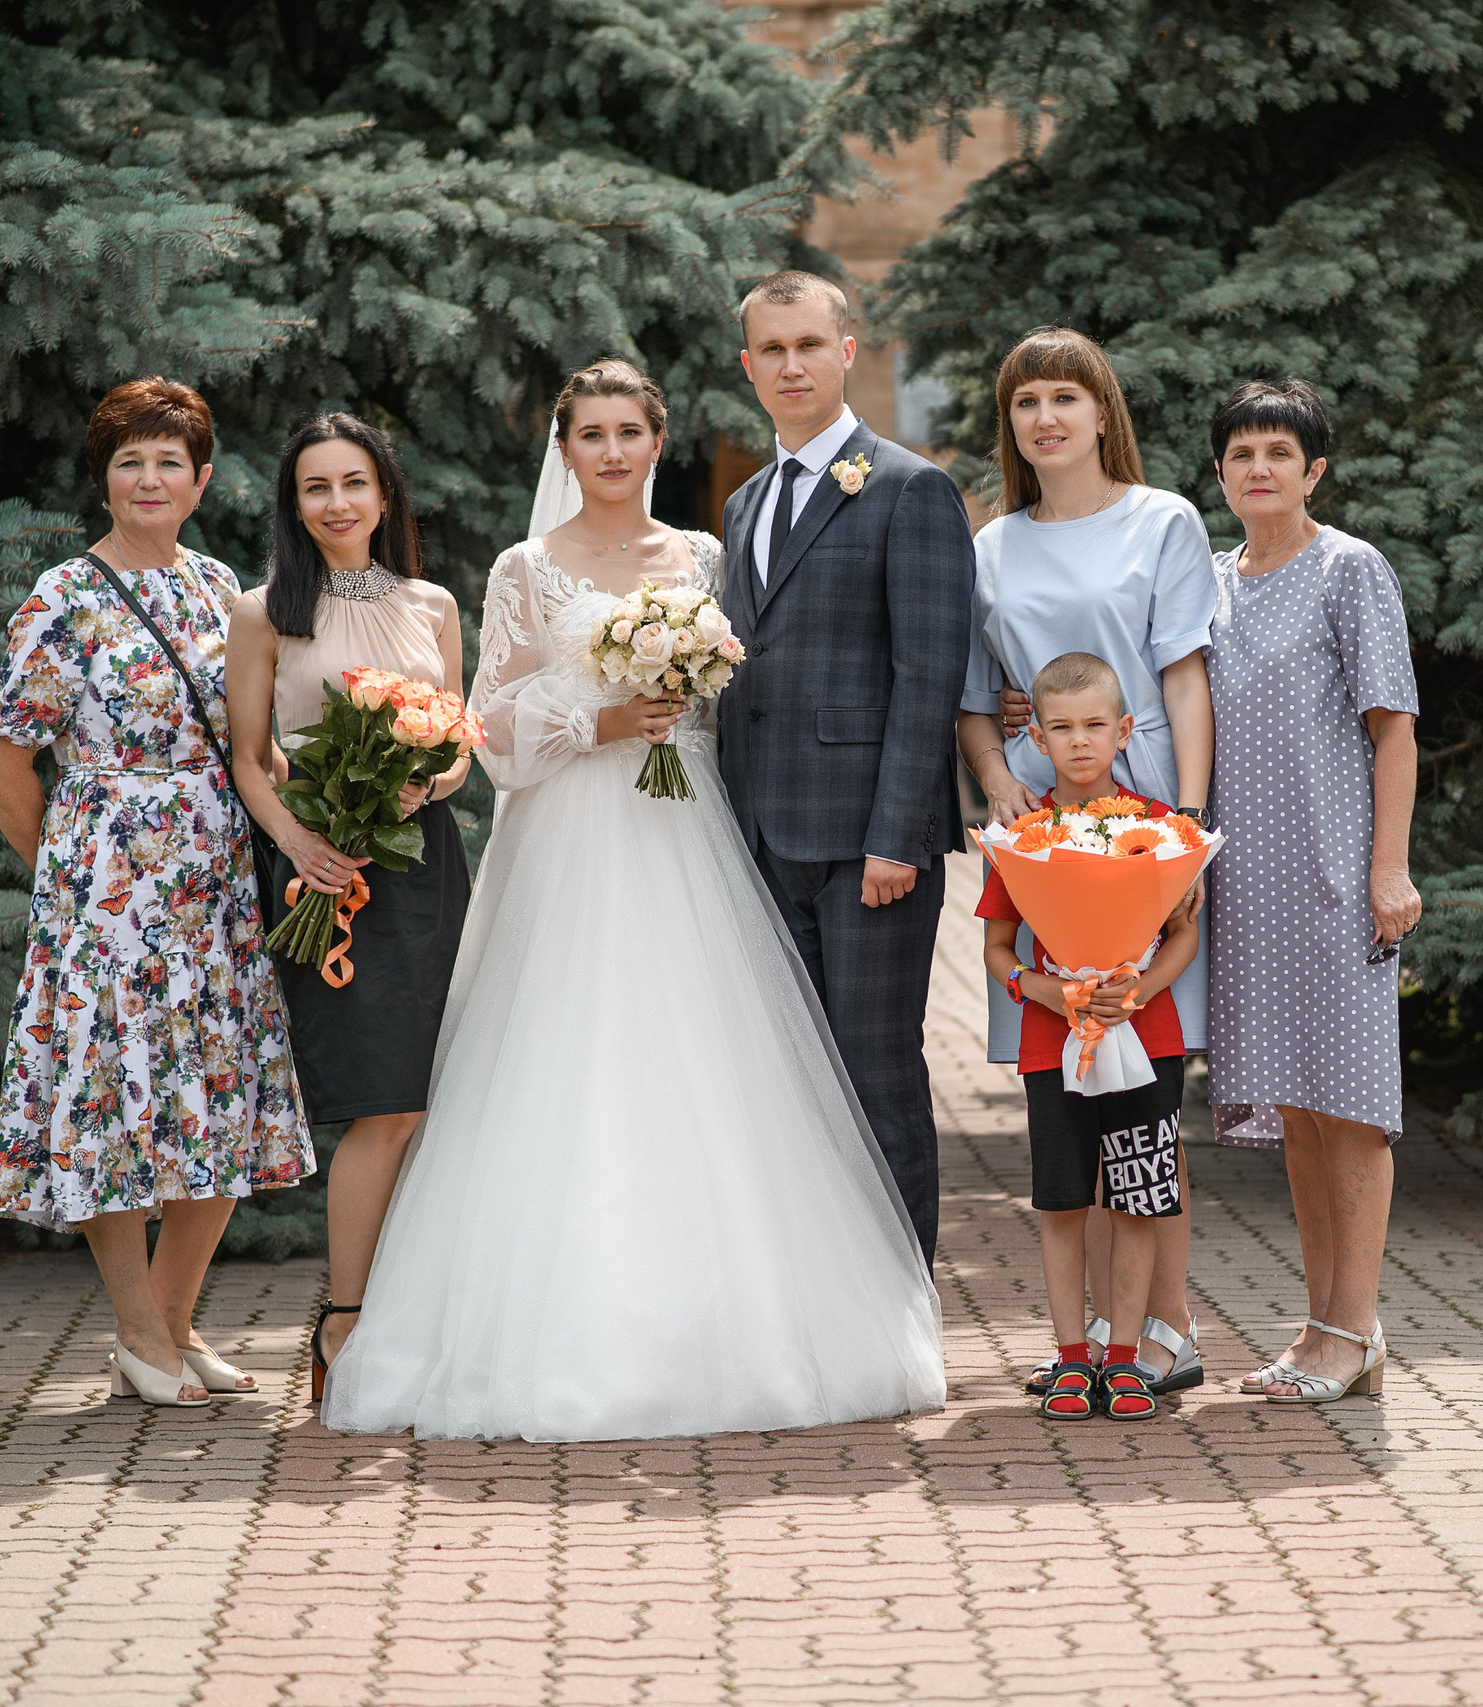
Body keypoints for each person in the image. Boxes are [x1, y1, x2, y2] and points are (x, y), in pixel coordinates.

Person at [320, 359, 945, 1442]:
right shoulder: (525, 567)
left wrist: (677, 700)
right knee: (567, 1060)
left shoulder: (705, 554)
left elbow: (749, 688)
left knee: (707, 1061)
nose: (609, 450)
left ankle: (730, 1317)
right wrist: (598, 725)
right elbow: (490, 726)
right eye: (589, 433)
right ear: (562, 450)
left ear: (658, 444)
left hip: (689, 830)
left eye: (627, 432)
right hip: (568, 839)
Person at [0, 377, 315, 1408]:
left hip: (213, 886)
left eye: (170, 461)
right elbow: (0, 762)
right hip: (105, 891)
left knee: (218, 1094)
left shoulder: (221, 590)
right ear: (106, 478)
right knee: (108, 1101)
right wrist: (69, 882)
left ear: (202, 479)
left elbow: (255, 741)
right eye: (130, 461)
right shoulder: (65, 596)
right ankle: (134, 1324)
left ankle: (168, 1323)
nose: (150, 478)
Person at [956, 326, 1215, 1396]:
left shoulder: (1165, 522)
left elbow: (1187, 673)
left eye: (1065, 397)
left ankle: (1165, 1332)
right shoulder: (991, 547)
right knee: (1069, 1072)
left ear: (1102, 410)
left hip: (1143, 807)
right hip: (1040, 817)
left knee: (1145, 1083)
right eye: (1025, 404)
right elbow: (974, 699)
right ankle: (1089, 1344)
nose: (1045, 418)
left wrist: (1189, 822)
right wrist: (999, 787)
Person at [715, 271, 974, 1265]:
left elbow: (927, 674)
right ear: (748, 367)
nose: (789, 365)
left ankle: (901, 1292)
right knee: (789, 1082)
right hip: (761, 841)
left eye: (807, 345)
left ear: (847, 352)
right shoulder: (743, 505)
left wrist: (897, 837)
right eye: (770, 350)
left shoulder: (910, 488)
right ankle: (818, 1292)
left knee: (875, 1075)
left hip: (870, 850)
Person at [223, 413, 471, 1399]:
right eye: (315, 487)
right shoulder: (262, 612)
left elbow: (454, 740)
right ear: (295, 503)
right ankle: (344, 1323)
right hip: (322, 870)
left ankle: (404, 1319)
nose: (336, 503)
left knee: (427, 1100)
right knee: (381, 1100)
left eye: (353, 483)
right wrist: (299, 846)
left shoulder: (433, 603)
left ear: (383, 493)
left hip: (423, 865)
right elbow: (248, 758)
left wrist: (425, 785)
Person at [1204, 379, 1420, 1404]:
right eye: (1242, 452)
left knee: (1353, 1110)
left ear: (1313, 470)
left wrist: (1390, 867)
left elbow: (1393, 728)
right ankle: (1325, 1329)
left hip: (1336, 877)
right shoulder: (1209, 582)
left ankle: (1353, 1330)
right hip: (1245, 886)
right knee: (1297, 1110)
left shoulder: (1349, 571)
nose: (1259, 468)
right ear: (1218, 473)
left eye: (1279, 454)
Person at [977, 654, 1201, 1422]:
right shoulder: (1023, 838)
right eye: (1062, 728)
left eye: (1095, 725)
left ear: (1124, 730)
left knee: (1138, 1197)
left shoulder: (1158, 830)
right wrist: (1052, 992)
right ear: (1035, 736)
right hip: (1055, 1043)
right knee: (1064, 1198)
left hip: (1148, 1037)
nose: (1080, 742)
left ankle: (1127, 1357)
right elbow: (998, 950)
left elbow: (1181, 938)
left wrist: (1137, 990)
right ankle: (1073, 1355)